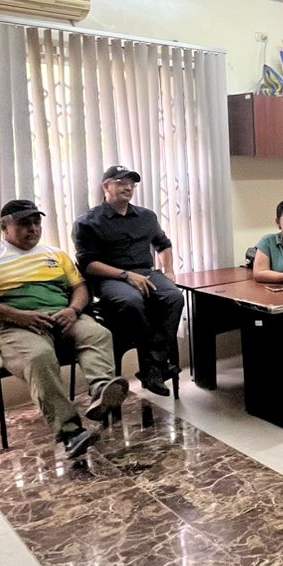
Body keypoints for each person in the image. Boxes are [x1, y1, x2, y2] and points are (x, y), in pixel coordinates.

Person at [0, 199, 128, 458]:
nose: (33, 228)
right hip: (16, 325)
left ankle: (102, 391)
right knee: (39, 357)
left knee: (98, 333)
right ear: (5, 227)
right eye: (25, 223)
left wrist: (73, 310)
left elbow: (80, 287)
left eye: (36, 222)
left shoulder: (56, 254)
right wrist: (19, 317)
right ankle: (70, 432)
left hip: (63, 317)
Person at [73, 165, 185, 397]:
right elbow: (88, 264)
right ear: (106, 186)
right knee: (131, 300)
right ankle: (156, 362)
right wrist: (126, 275)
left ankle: (152, 366)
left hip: (145, 272)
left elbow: (163, 244)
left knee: (174, 296)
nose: (128, 187)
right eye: (121, 182)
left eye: (131, 184)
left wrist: (169, 271)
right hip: (111, 277)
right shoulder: (88, 221)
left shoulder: (146, 216)